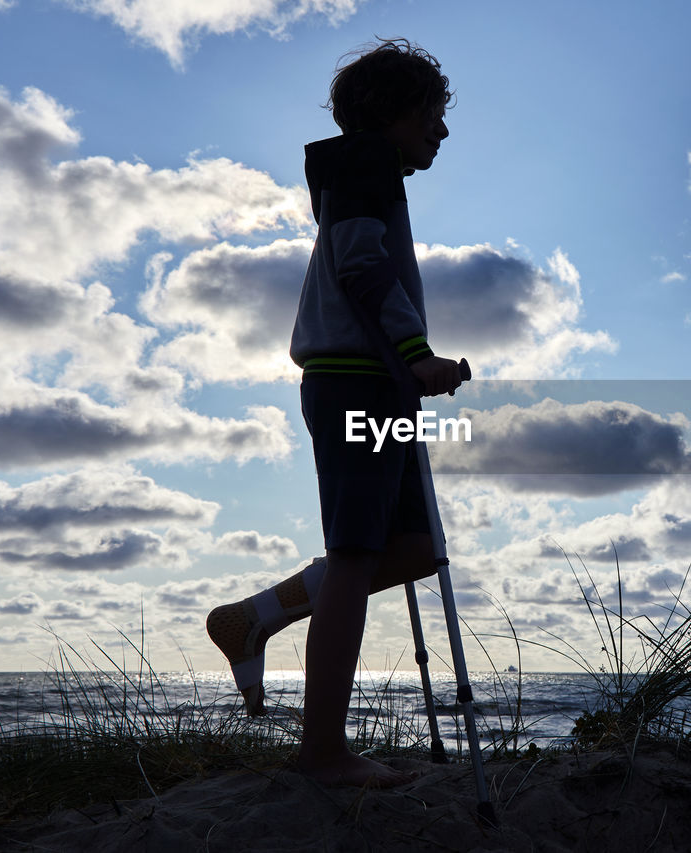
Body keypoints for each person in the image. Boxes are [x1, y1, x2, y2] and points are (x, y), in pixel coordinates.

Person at [207, 39, 461, 789]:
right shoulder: (363, 164)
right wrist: (416, 351)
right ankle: (322, 749)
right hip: (358, 378)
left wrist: (408, 362)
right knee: (355, 552)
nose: (441, 132)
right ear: (392, 112)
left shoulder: (372, 170)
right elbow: (359, 262)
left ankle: (253, 615)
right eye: (433, 115)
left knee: (415, 547)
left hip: (379, 379)